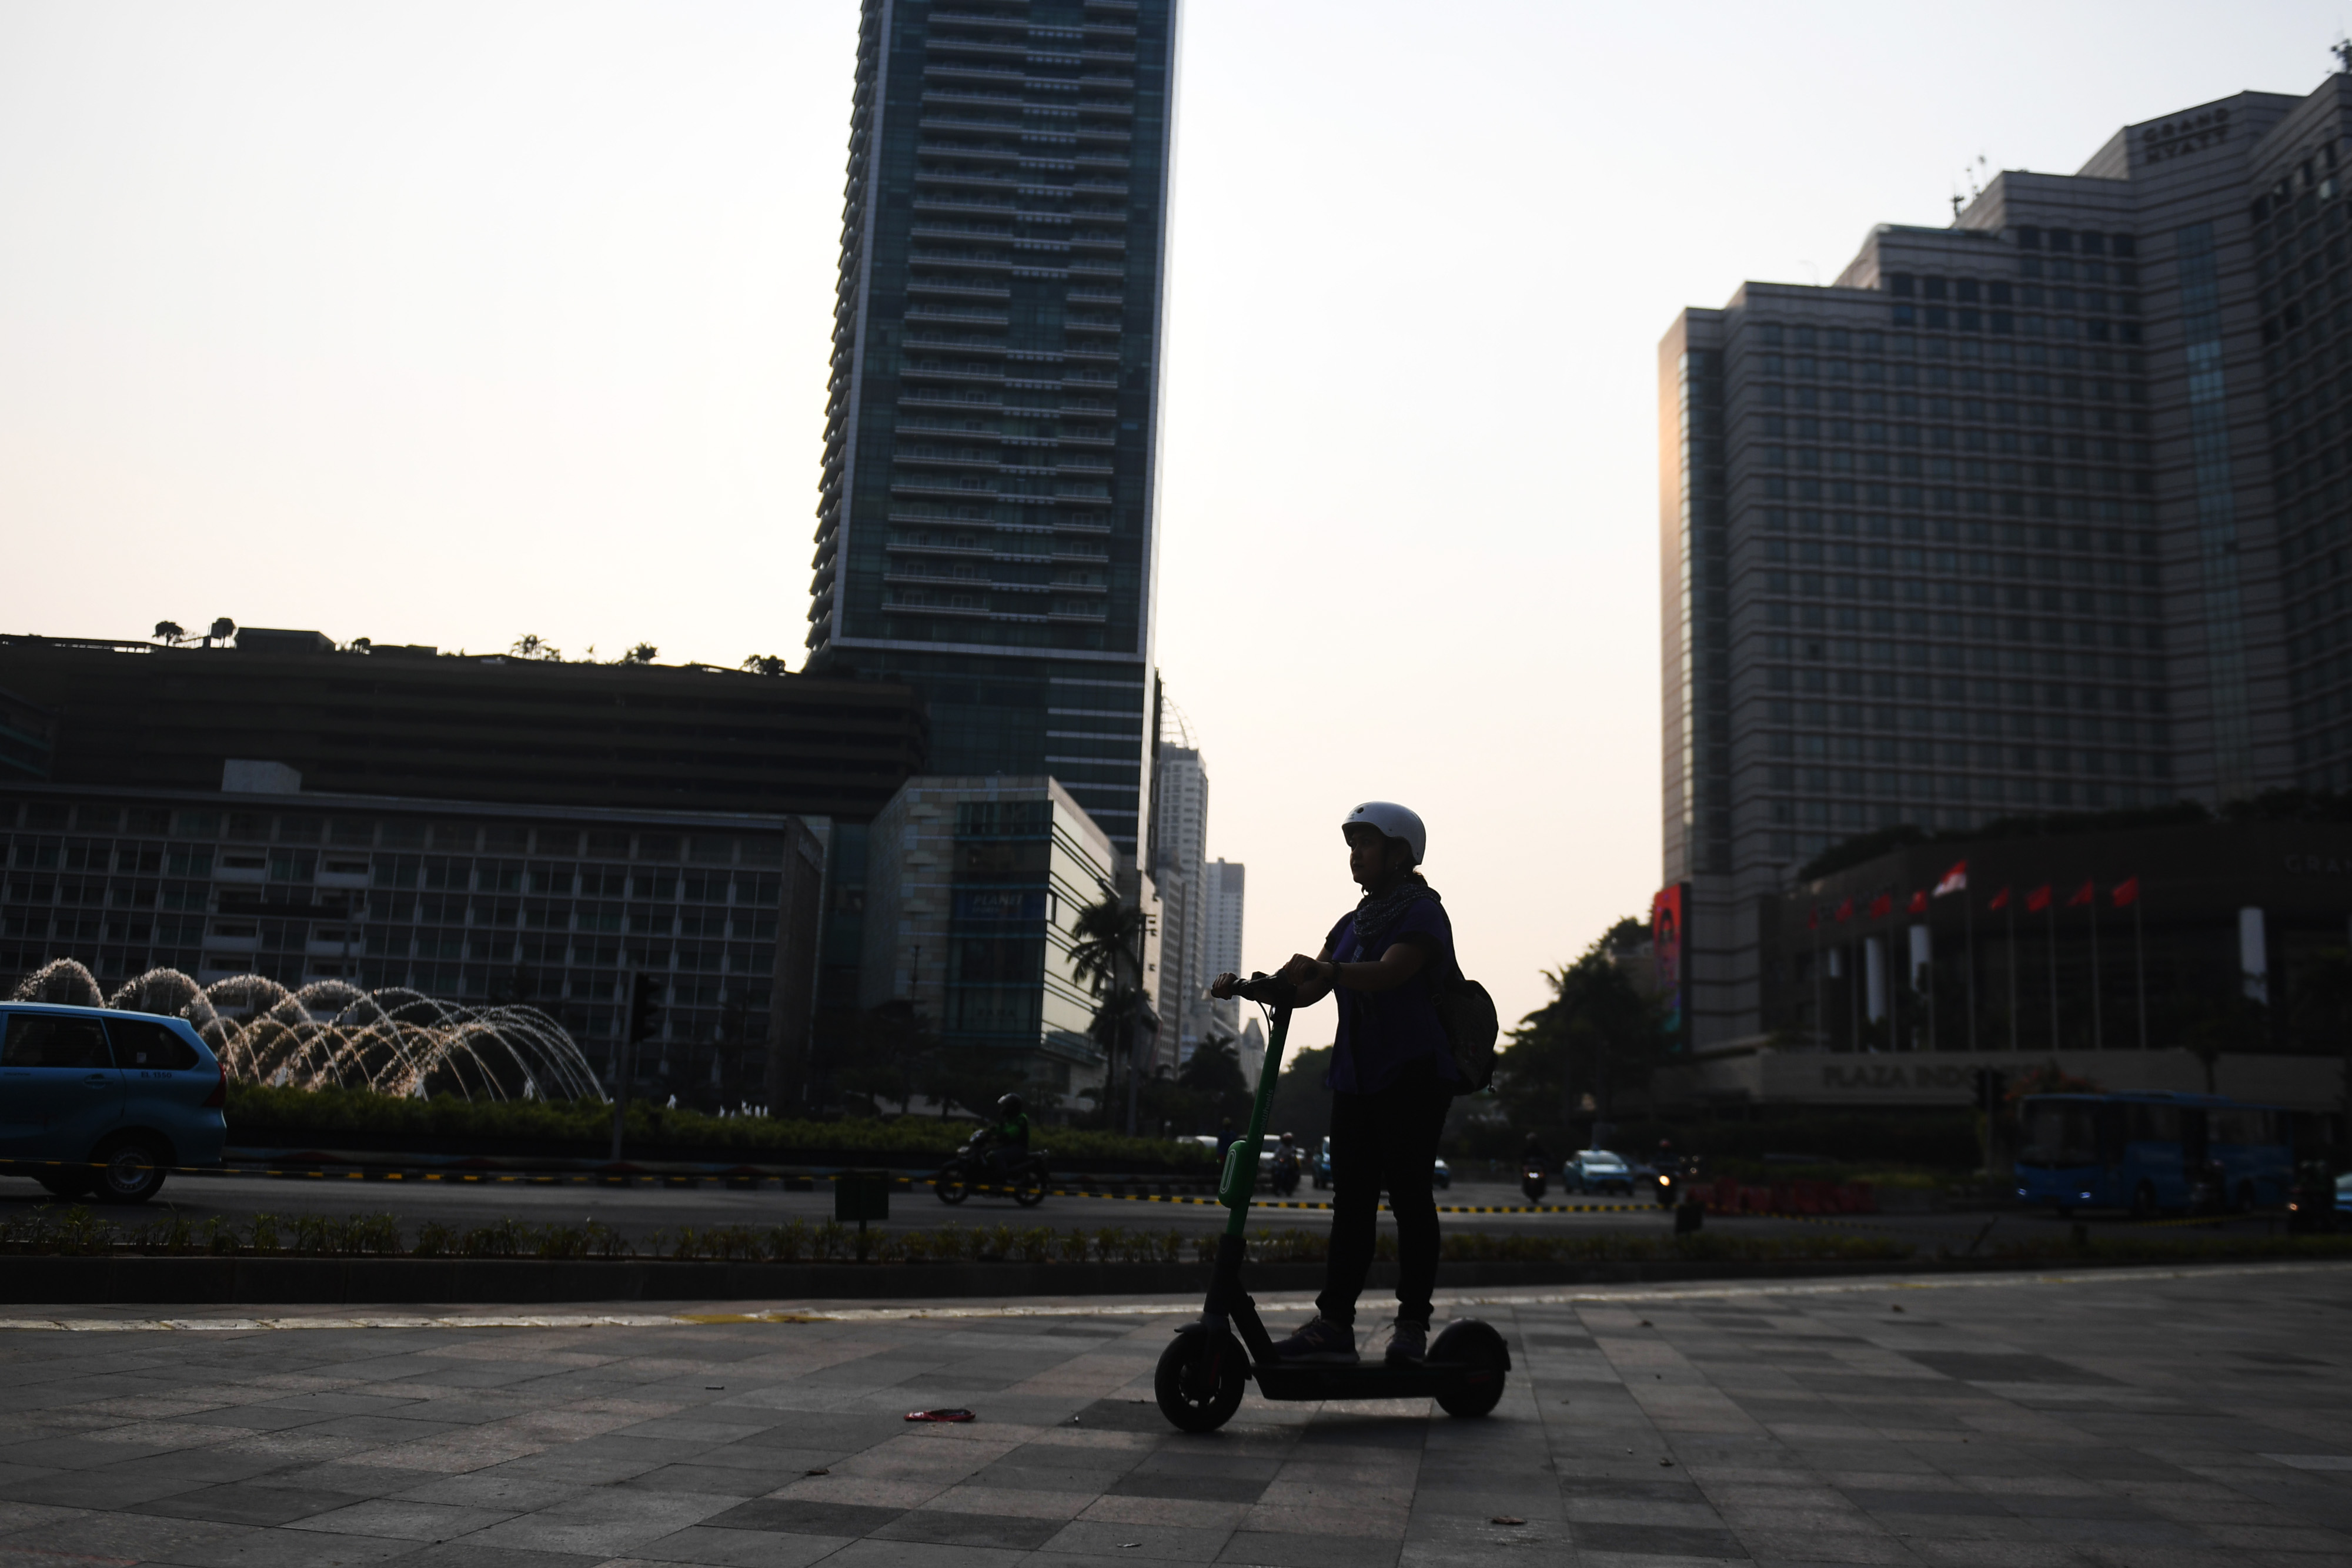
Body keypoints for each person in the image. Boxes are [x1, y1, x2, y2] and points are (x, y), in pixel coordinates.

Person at [1210, 800, 1461, 1366]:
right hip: (1357, 1077)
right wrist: (1251, 988)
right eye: (1352, 844)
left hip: (1413, 1075)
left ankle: (1412, 1325)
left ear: (1400, 853)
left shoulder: (1422, 913)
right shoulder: (1350, 925)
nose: (1356, 853)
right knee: (1351, 1202)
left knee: (1410, 1197)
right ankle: (1334, 1324)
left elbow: (1394, 971)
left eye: (1367, 843)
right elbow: (1306, 987)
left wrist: (1333, 972)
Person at [977, 1092, 1029, 1183]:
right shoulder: (1009, 1119)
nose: (1003, 1109)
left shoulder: (1021, 1119)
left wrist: (1000, 1137)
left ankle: (1004, 1179)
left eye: (1006, 1106)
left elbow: (1013, 1131)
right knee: (986, 1151)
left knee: (998, 1155)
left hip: (1019, 1148)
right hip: (1008, 1146)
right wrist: (988, 1132)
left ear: (1012, 1107)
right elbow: (1000, 1129)